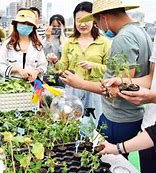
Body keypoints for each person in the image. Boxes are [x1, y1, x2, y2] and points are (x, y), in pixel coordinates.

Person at [59, 0, 152, 159]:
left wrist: (79, 83)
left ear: (104, 18)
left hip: (118, 117)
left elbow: (117, 89)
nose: (98, 26)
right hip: (131, 115)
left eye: (96, 22)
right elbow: (132, 81)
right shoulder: (140, 32)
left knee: (108, 159)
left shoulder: (123, 38)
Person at [100, 33, 156, 173]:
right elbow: (151, 78)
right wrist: (122, 81)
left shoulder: (124, 38)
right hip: (149, 128)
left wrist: (152, 97)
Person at [50, 2, 111, 122]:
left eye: (85, 20)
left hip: (95, 91)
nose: (82, 24)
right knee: (71, 122)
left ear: (93, 20)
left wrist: (93, 66)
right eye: (78, 20)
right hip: (72, 92)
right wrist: (55, 61)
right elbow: (63, 67)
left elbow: (110, 70)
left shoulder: (104, 42)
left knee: (93, 124)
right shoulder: (69, 41)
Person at [0, 9, 47, 82]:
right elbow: (0, 67)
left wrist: (36, 72)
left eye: (29, 24)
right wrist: (17, 69)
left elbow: (43, 65)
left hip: (34, 84)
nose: (25, 26)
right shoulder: (7, 44)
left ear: (33, 27)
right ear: (16, 24)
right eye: (23, 23)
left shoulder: (37, 45)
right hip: (13, 85)